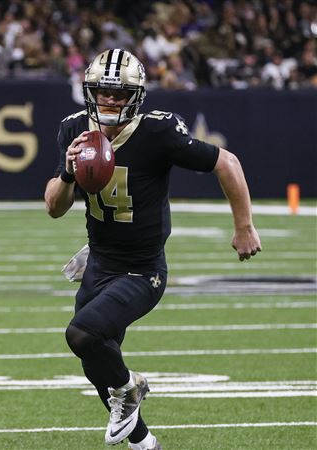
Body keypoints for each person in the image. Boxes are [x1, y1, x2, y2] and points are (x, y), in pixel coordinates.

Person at [44, 49, 262, 449]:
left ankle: (132, 385)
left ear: (137, 96)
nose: (109, 100)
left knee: (82, 334)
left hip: (143, 268)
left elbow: (226, 162)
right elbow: (54, 208)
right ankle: (145, 444)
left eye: (119, 93)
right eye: (102, 91)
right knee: (96, 361)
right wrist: (67, 171)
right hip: (100, 259)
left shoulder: (157, 132)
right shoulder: (74, 128)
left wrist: (243, 225)